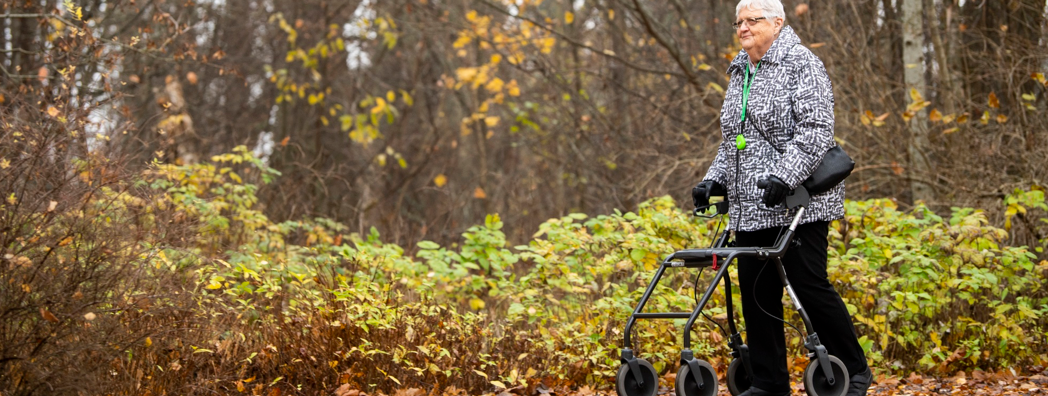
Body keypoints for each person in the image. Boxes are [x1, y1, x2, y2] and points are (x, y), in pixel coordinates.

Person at [690, 1, 871, 395]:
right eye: (739, 21)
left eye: (753, 20)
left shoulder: (801, 63)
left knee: (810, 286)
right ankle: (769, 383)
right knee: (756, 292)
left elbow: (816, 131)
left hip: (798, 204)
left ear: (778, 22)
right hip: (750, 207)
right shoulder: (740, 71)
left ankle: (855, 371)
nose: (743, 27)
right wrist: (713, 181)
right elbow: (732, 143)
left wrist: (785, 176)